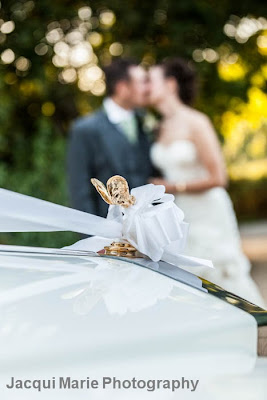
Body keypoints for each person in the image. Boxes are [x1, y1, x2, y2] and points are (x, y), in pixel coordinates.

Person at [148, 57, 265, 307]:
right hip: (179, 215)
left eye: (152, 80)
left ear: (170, 85)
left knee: (221, 274)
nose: (147, 86)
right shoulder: (158, 127)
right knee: (188, 279)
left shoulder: (196, 122)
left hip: (207, 211)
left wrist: (174, 188)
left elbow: (219, 177)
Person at [67, 58, 157, 218]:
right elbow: (80, 193)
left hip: (150, 228)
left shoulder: (147, 122)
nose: (149, 88)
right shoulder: (85, 130)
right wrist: (94, 238)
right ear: (122, 87)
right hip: (110, 233)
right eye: (142, 82)